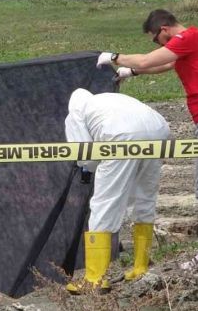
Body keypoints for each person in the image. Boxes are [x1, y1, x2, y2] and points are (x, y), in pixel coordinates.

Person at [97, 9, 198, 278]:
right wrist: (132, 72)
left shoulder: (188, 37)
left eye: (156, 40)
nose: (158, 45)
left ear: (164, 29)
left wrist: (114, 57)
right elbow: (164, 64)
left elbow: (149, 59)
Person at [64, 89, 171, 291]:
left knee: (104, 204)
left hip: (121, 136)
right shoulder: (110, 101)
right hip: (159, 131)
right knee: (145, 198)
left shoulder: (76, 112)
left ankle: (95, 278)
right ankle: (141, 268)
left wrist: (89, 169)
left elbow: (85, 154)